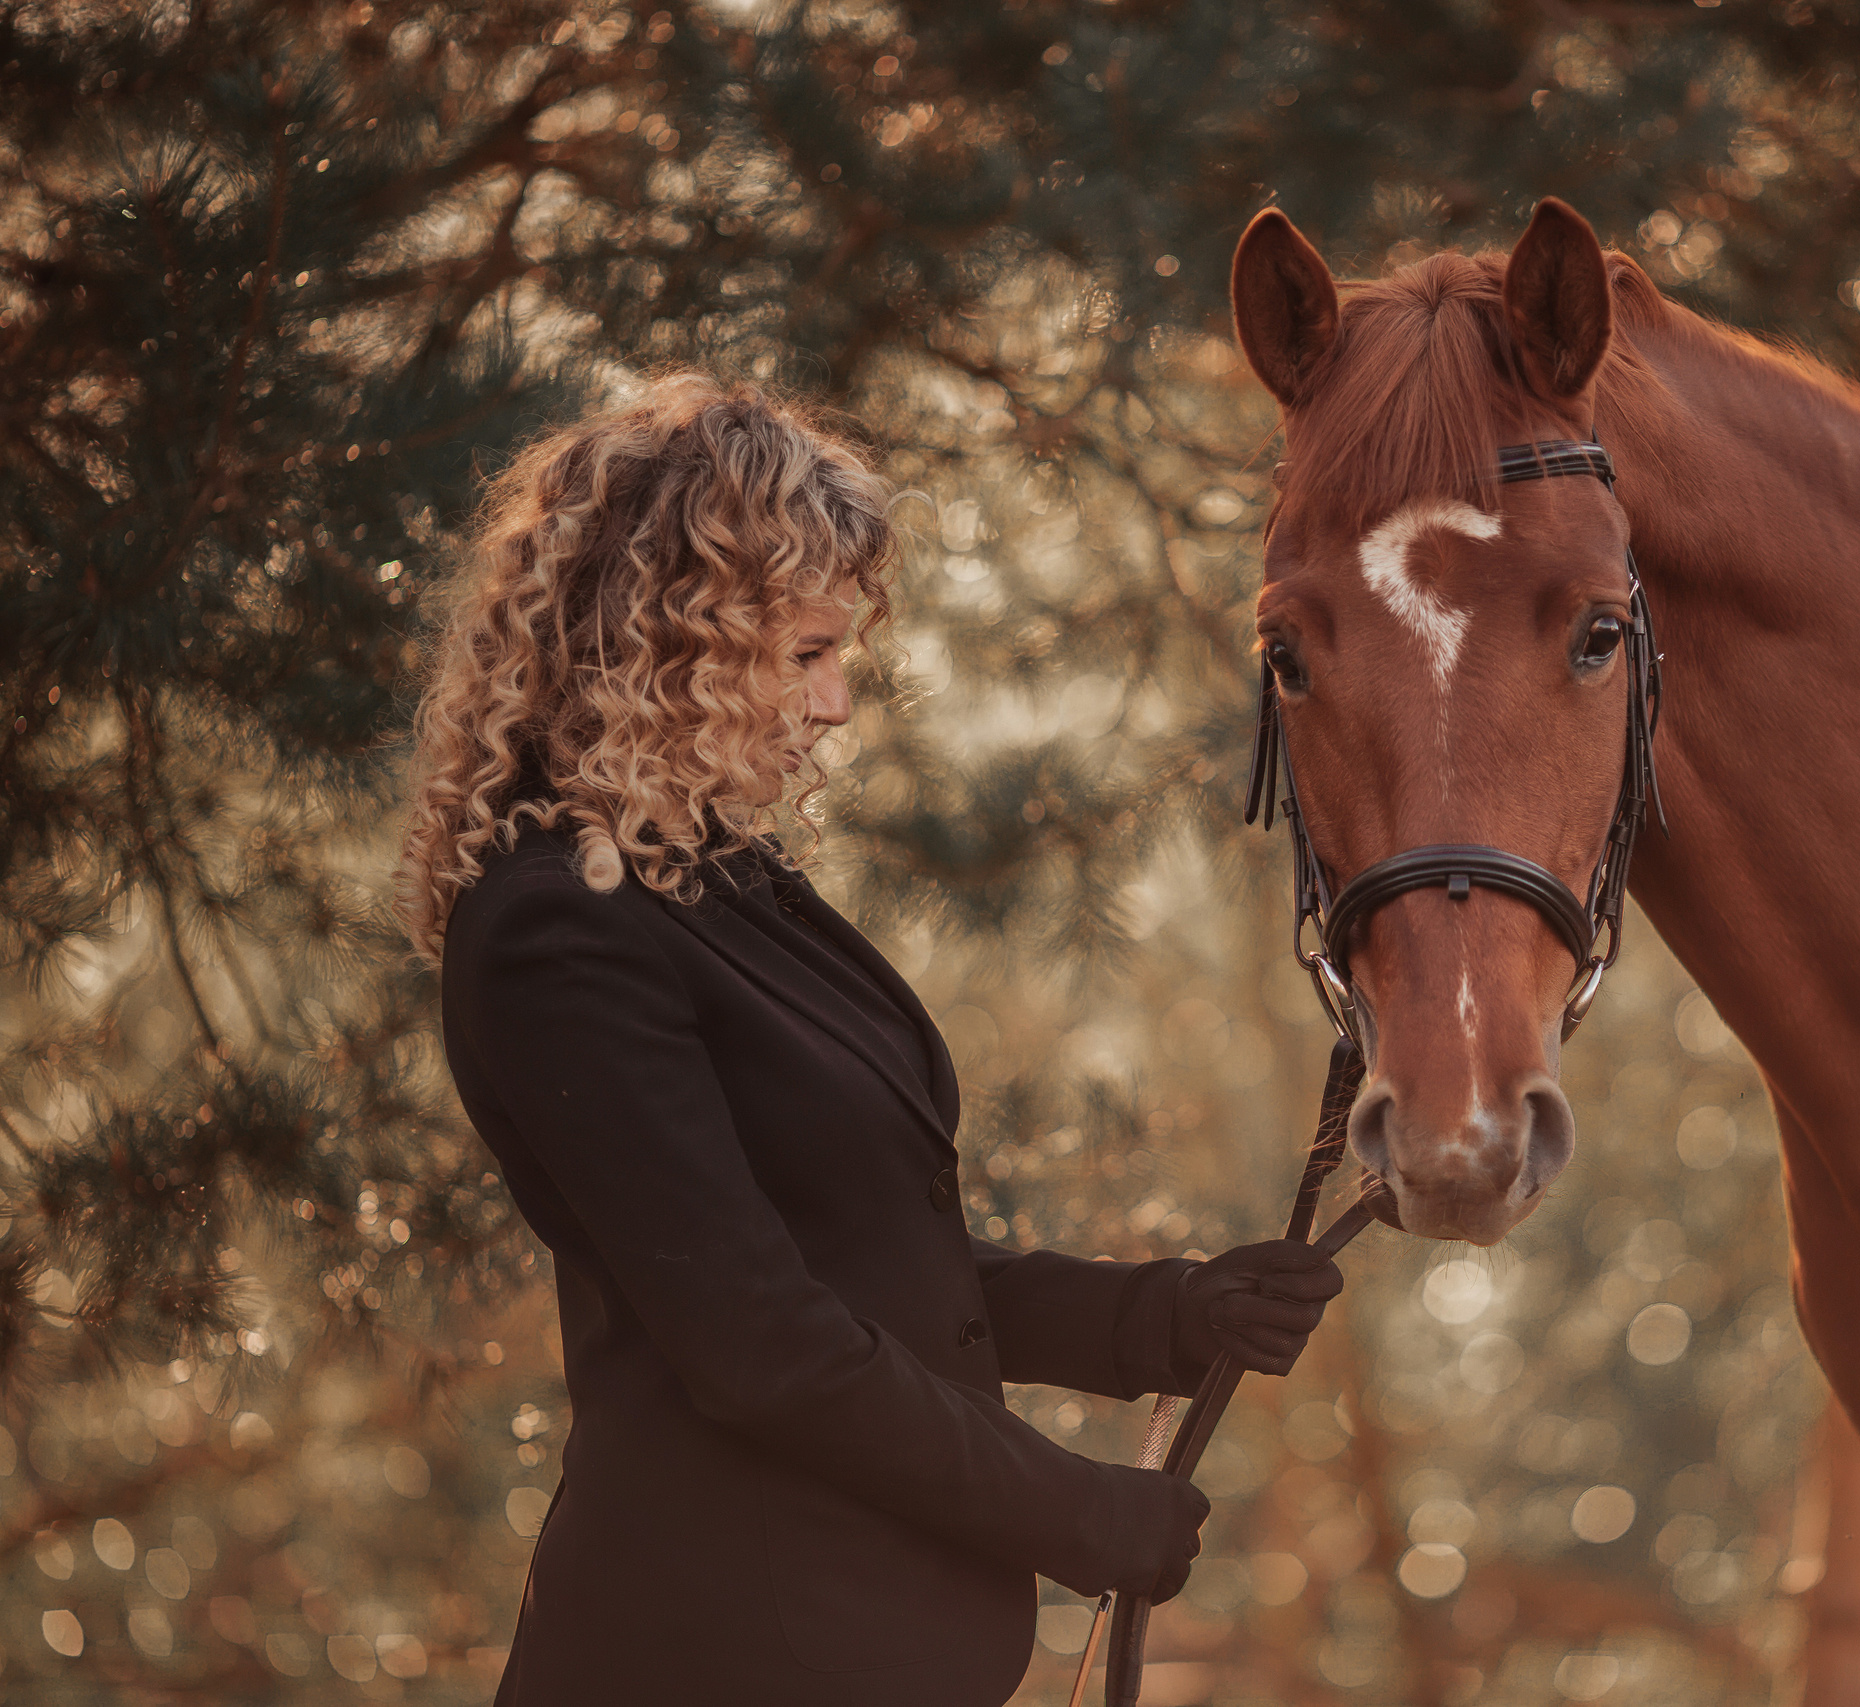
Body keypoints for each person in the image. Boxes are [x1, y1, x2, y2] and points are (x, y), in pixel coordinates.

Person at [394, 374, 1344, 1705]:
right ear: (667, 646)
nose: (837, 703)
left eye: (840, 655)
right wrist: (1076, 1515)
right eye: (803, 655)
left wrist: (1165, 1318)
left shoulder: (709, 878)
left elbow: (874, 1265)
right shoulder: (558, 932)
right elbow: (761, 1342)